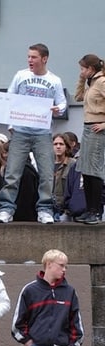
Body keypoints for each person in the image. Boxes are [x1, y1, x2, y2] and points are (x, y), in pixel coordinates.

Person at [0, 44, 67, 224]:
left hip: (42, 131)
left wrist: (59, 108)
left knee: (46, 173)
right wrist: (10, 123)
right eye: (28, 57)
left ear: (44, 59)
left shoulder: (54, 80)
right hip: (20, 130)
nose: (30, 60)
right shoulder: (21, 75)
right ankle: (6, 208)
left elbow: (63, 102)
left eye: (34, 57)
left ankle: (44, 209)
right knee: (12, 172)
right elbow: (10, 98)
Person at [74, 54, 105, 225]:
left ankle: (96, 210)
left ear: (91, 69)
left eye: (83, 68)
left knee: (94, 170)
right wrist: (80, 80)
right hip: (87, 128)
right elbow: (78, 97)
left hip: (97, 128)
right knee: (85, 170)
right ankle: (89, 209)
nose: (81, 71)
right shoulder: (91, 82)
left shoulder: (101, 82)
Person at [52, 134, 75, 222]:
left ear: (67, 147)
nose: (58, 147)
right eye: (55, 144)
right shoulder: (46, 164)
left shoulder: (73, 164)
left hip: (65, 211)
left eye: (61, 144)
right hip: (48, 209)